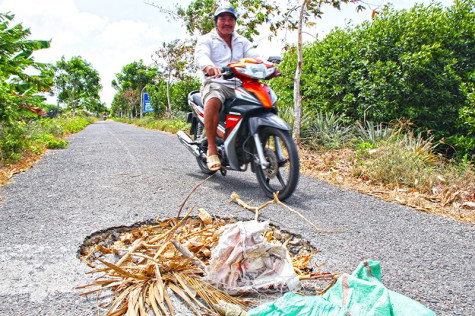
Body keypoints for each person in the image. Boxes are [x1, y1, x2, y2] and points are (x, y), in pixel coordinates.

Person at [195, 4, 261, 171]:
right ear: (216, 21)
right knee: (213, 100)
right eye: (223, 19)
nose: (227, 22)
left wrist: (268, 65)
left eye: (230, 19)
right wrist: (209, 67)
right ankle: (211, 150)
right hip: (217, 83)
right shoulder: (207, 39)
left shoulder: (242, 41)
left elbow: (255, 56)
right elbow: (201, 55)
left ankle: (245, 141)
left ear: (235, 22)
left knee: (260, 101)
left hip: (240, 84)